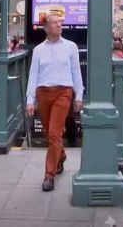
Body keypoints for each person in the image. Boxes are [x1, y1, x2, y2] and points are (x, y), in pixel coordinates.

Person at [25, 14, 84, 192]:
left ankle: (49, 175)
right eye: (55, 22)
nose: (60, 25)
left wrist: (79, 95)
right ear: (46, 27)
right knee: (50, 134)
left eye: (61, 22)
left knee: (53, 133)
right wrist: (30, 99)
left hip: (63, 93)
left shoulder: (71, 47)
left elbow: (76, 71)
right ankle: (61, 155)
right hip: (43, 93)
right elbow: (33, 75)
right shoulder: (38, 50)